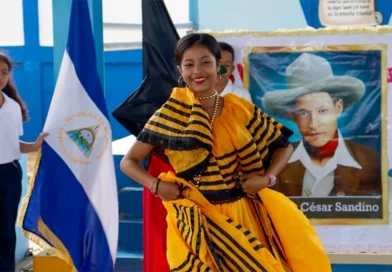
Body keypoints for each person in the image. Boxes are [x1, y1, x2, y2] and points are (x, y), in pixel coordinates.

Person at [121, 34, 331, 271]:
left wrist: (266, 179)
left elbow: (284, 146)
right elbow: (129, 161)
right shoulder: (169, 115)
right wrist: (156, 186)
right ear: (179, 68)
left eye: (205, 62)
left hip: (243, 214)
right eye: (189, 64)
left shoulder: (239, 109)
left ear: (219, 65)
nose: (197, 71)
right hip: (195, 219)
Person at [262, 53, 381, 197]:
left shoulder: (371, 162)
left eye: (322, 111)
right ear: (292, 115)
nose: (313, 124)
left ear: (338, 107)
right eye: (303, 113)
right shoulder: (274, 162)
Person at [0, 53, 48, 272]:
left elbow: (13, 144)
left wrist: (36, 144)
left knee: (7, 230)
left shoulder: (12, 106)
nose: (1, 77)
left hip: (9, 172)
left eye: (4, 72)